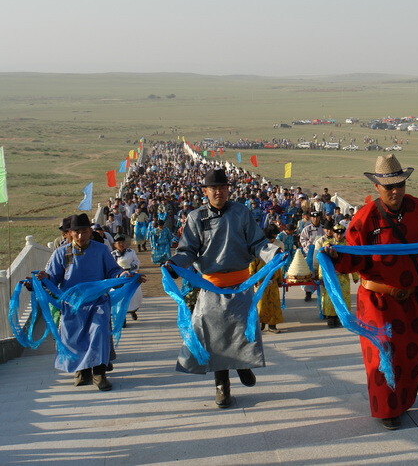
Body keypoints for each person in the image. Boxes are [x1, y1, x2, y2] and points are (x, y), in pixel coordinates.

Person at [322, 154, 418, 430]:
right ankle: (386, 409)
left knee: (411, 353)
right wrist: (334, 257)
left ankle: (402, 401)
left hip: (412, 297)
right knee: (383, 352)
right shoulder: (365, 218)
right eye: (389, 186)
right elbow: (353, 258)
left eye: (400, 185)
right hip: (377, 300)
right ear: (377, 188)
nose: (395, 191)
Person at [166, 169, 280, 408]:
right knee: (215, 339)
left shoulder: (242, 213)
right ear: (205, 191)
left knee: (243, 332)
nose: (218, 192)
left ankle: (243, 364)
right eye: (213, 188)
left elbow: (258, 243)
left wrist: (274, 254)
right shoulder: (196, 218)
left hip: (241, 286)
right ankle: (222, 387)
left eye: (222, 187)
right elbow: (187, 251)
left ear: (229, 189)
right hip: (211, 288)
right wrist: (174, 265)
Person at [36, 213, 142, 391]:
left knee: (99, 332)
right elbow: (52, 278)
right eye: (76, 232)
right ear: (70, 233)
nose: (80, 236)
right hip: (72, 304)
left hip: (98, 301)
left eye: (84, 231)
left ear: (90, 232)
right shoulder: (61, 253)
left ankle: (99, 373)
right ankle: (82, 370)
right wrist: (43, 278)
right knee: (73, 338)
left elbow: (112, 270)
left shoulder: (100, 250)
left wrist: (122, 275)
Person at [314, 222, 358, 328]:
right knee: (330, 297)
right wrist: (321, 276)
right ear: (333, 233)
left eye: (341, 233)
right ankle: (330, 317)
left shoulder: (347, 245)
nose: (339, 235)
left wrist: (355, 276)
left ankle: (340, 317)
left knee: (343, 296)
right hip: (330, 275)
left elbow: (353, 261)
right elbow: (322, 262)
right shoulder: (327, 245)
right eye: (337, 233)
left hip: (343, 276)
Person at [111, 234, 142, 323]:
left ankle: (132, 311)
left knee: (133, 296)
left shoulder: (131, 252)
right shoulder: (112, 254)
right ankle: (122, 317)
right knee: (119, 297)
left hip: (130, 276)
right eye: (119, 243)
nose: (121, 244)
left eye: (123, 242)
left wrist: (132, 267)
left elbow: (136, 261)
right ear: (115, 244)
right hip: (119, 277)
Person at [298, 210, 325, 302]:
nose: (315, 219)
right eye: (313, 217)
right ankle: (308, 293)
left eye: (317, 217)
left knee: (321, 273)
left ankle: (323, 293)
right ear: (311, 218)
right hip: (310, 253)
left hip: (321, 254)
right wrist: (309, 246)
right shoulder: (307, 229)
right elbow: (302, 240)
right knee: (309, 273)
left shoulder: (323, 228)